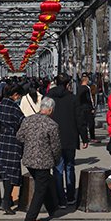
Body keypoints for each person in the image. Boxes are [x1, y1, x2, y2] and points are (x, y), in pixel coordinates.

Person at [16, 96, 61, 221]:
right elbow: (56, 147)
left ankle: (52, 208)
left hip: (29, 160)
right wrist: (56, 159)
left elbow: (19, 136)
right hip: (43, 162)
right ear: (50, 110)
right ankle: (30, 219)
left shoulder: (28, 120)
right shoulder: (52, 125)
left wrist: (31, 142)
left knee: (45, 182)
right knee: (40, 189)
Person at [46, 72, 88, 207]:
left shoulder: (48, 98)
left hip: (54, 138)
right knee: (69, 167)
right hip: (70, 137)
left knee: (57, 169)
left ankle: (60, 199)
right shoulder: (73, 99)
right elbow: (79, 119)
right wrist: (84, 137)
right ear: (67, 84)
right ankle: (70, 196)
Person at [0, 84, 25, 214]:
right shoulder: (13, 107)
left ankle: (8, 200)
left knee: (4, 172)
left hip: (1, 142)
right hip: (12, 143)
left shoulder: (1, 104)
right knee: (12, 173)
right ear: (15, 95)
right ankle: (6, 202)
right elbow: (22, 122)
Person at [78, 75, 98, 143]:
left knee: (84, 123)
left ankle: (85, 138)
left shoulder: (79, 88)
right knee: (91, 122)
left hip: (81, 107)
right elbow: (89, 98)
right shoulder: (87, 88)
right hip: (88, 107)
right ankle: (92, 137)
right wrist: (92, 107)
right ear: (86, 80)